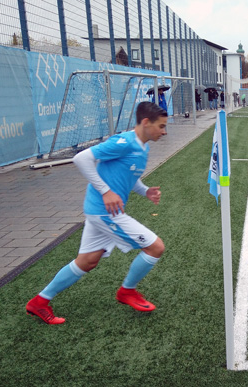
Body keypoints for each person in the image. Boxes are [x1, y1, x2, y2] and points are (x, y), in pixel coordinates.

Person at [25, 102, 168, 325]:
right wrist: (105, 191)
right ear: (146, 122)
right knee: (156, 247)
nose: (164, 131)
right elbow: (81, 158)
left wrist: (145, 190)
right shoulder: (123, 142)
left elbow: (128, 176)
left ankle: (39, 302)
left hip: (101, 211)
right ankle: (127, 292)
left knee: (87, 261)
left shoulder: (143, 146)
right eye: (161, 126)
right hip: (105, 213)